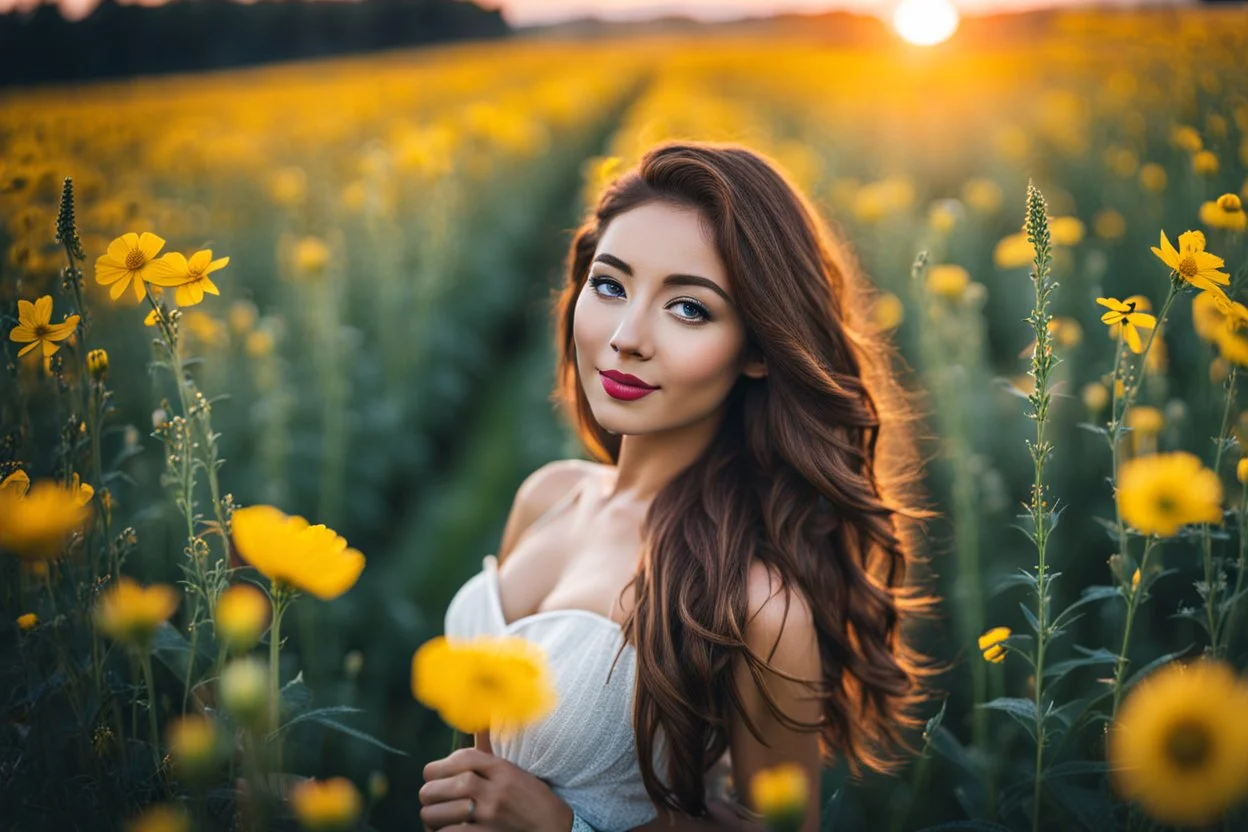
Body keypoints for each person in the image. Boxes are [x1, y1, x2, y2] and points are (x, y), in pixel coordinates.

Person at [418, 141, 943, 832]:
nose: (628, 336)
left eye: (689, 308)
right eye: (610, 285)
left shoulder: (757, 603)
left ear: (758, 349)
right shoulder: (547, 496)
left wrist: (562, 829)